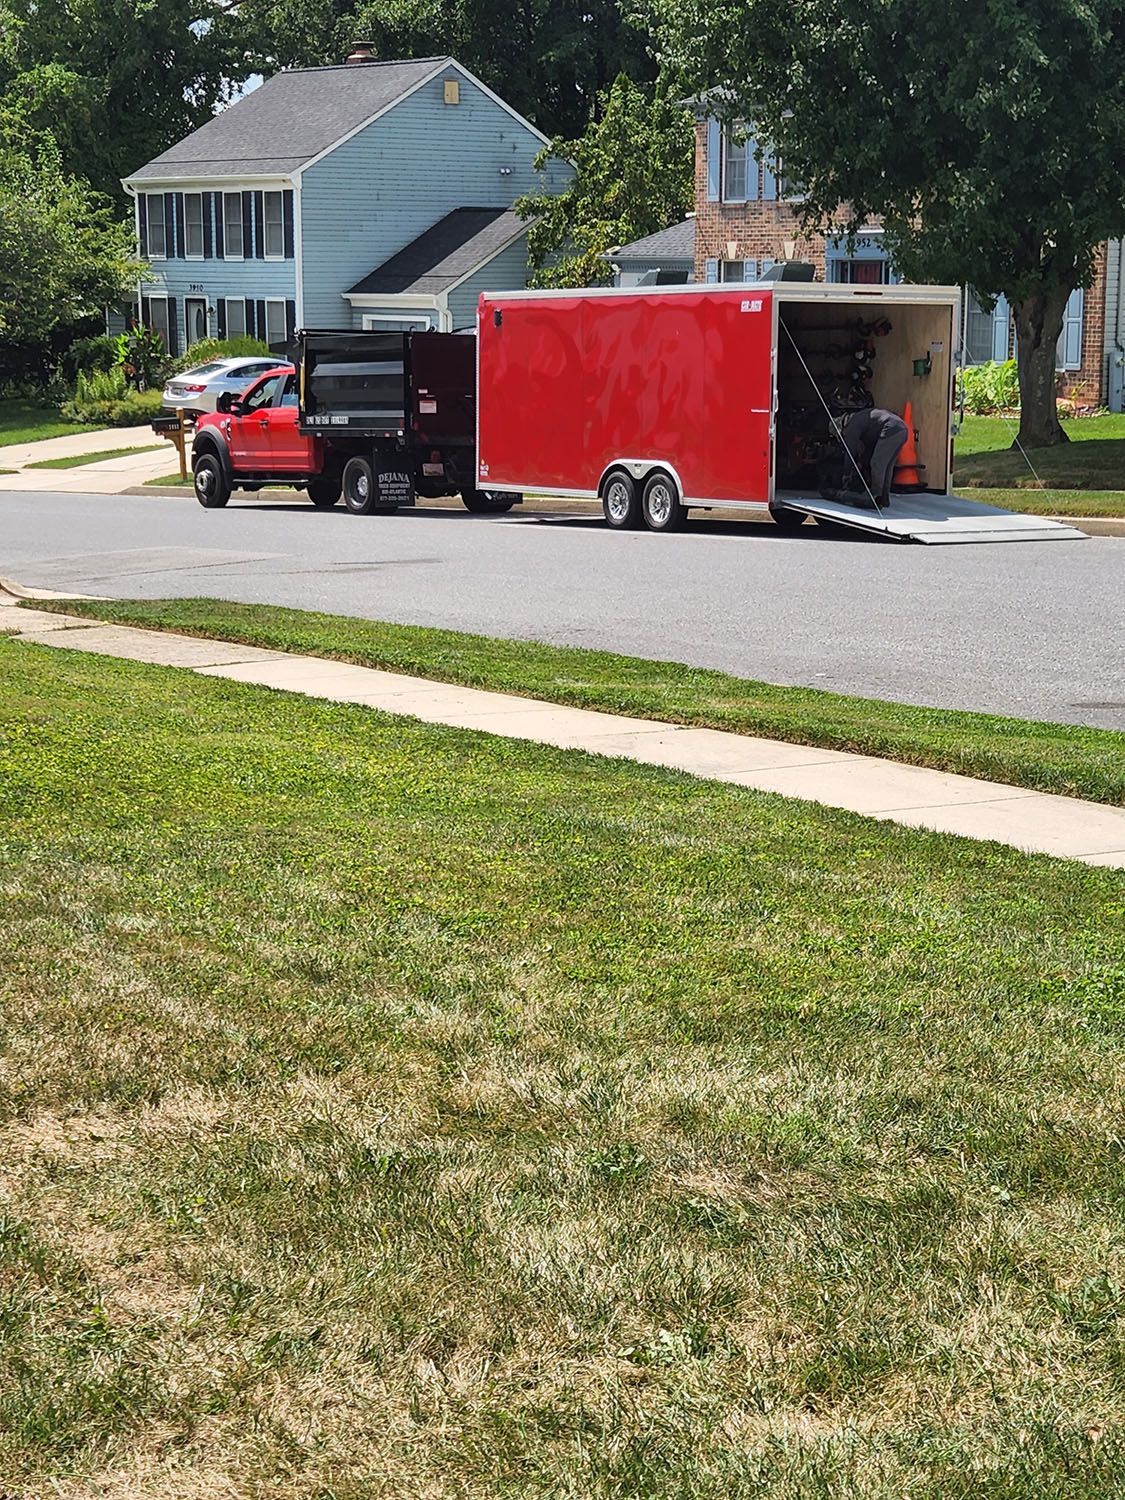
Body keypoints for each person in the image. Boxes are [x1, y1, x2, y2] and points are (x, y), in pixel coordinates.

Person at [823, 404, 909, 507]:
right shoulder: (859, 418)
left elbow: (849, 451)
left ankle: (874, 495)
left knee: (877, 463)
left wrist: (846, 474)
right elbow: (867, 447)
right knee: (887, 467)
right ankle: (884, 499)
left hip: (890, 428)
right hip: (902, 429)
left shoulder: (851, 426)